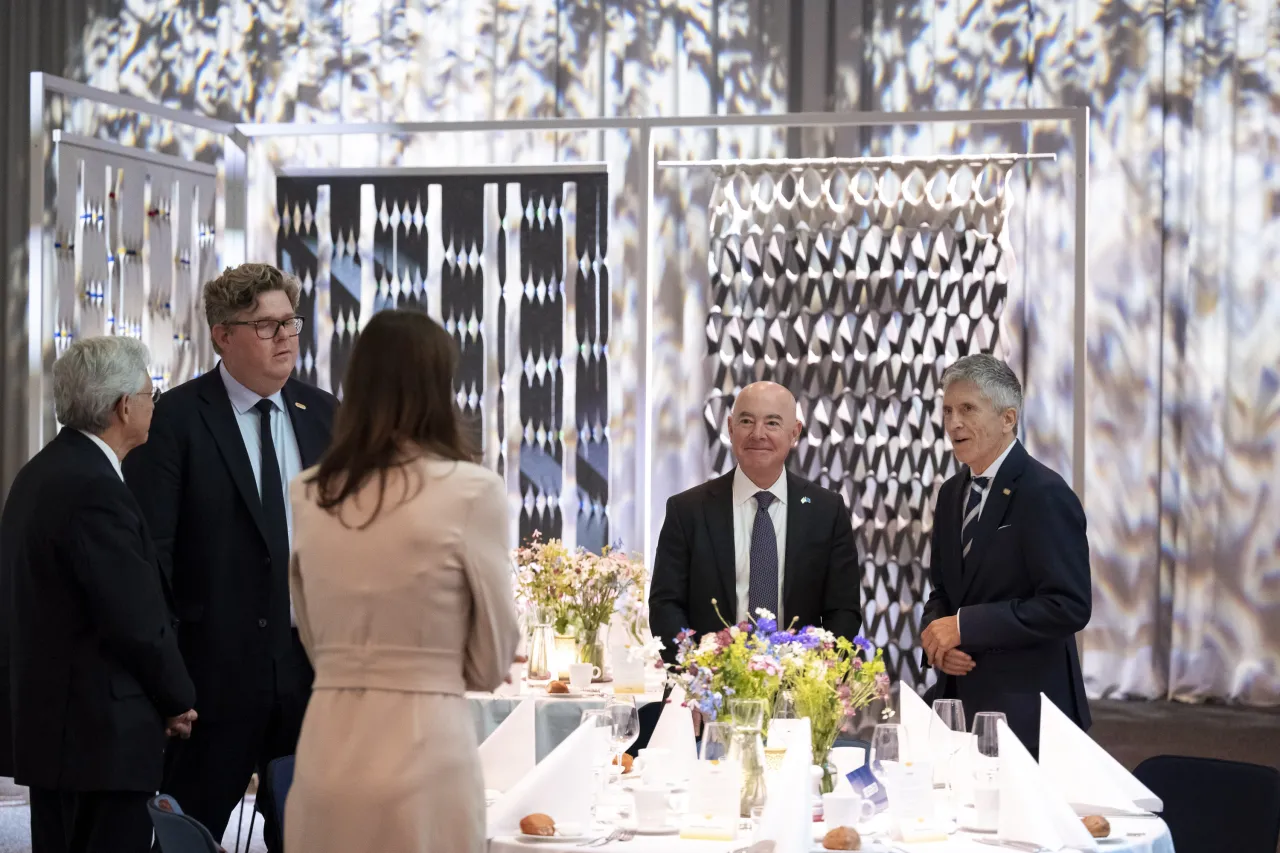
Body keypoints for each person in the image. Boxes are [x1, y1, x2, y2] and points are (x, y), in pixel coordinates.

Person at [283, 309, 519, 853]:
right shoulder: (470, 491)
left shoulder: (309, 492)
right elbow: (490, 662)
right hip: (425, 747)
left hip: (326, 747)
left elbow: (314, 638)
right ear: (440, 386)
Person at [122, 263, 337, 849]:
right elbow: (151, 559)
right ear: (223, 335)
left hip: (310, 671)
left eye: (291, 322)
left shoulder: (323, 415)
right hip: (210, 677)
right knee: (188, 835)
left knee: (309, 835)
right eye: (266, 326)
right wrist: (168, 684)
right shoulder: (174, 420)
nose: (287, 337)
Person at [0, 337, 196, 853]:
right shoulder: (93, 487)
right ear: (123, 406)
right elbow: (133, 617)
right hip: (99, 739)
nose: (156, 403)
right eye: (152, 393)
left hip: (59, 732)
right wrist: (178, 698)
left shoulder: (42, 472)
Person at [920, 354, 1092, 755]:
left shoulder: (1044, 492)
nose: (953, 423)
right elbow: (942, 590)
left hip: (1029, 712)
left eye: (967, 409)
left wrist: (966, 627)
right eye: (947, 410)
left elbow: (1068, 605)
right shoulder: (950, 494)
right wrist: (939, 640)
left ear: (1008, 418)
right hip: (958, 706)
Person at [649, 381, 862, 662]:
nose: (757, 434)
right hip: (708, 687)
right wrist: (696, 670)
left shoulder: (826, 511)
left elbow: (843, 611)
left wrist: (817, 676)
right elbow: (666, 605)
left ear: (794, 432)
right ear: (730, 428)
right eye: (746, 421)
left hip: (799, 688)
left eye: (772, 423)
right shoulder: (687, 510)